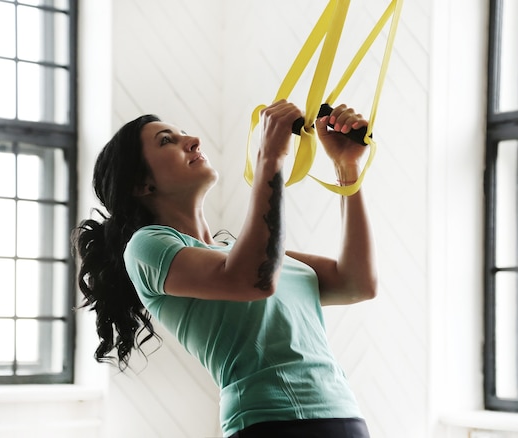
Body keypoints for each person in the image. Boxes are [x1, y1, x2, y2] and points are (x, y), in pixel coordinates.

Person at [72, 100, 377, 438]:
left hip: (344, 414)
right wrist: (269, 158)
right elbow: (253, 280)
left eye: (183, 134)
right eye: (166, 140)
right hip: (270, 423)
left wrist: (346, 168)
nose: (192, 141)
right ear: (142, 185)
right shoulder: (146, 247)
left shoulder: (244, 252)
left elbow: (357, 283)